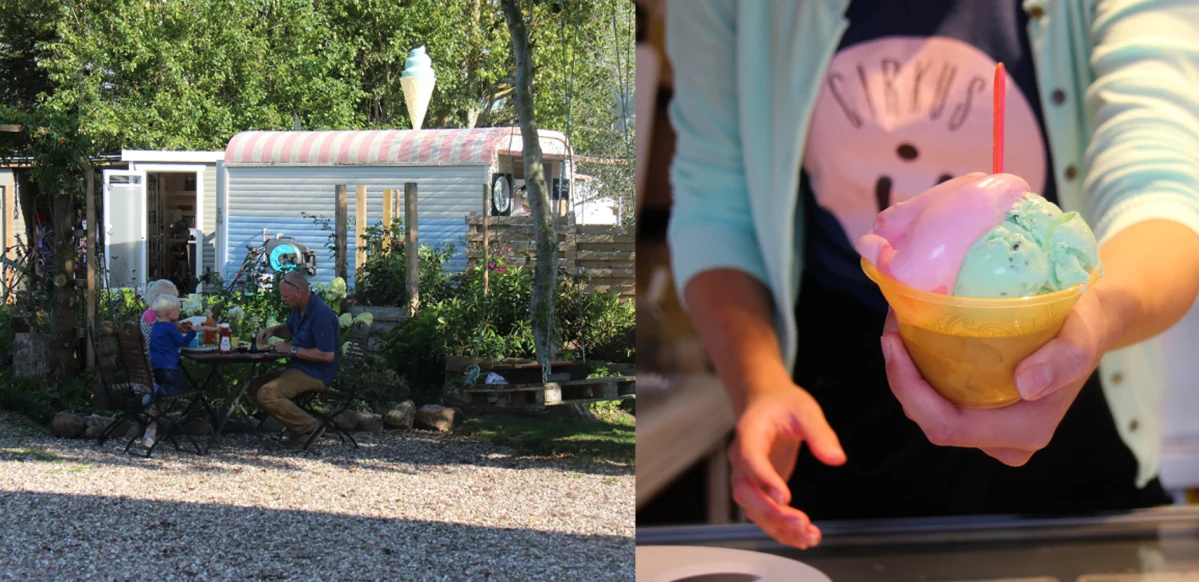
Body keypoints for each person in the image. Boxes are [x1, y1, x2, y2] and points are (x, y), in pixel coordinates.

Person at [664, 1, 1199, 550]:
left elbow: (1164, 190)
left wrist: (1097, 321)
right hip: (839, 407)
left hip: (1074, 376)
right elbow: (715, 203)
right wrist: (760, 383)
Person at [251, 271, 340, 447]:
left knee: (267, 394)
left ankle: (310, 427)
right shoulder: (300, 310)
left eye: (285, 296)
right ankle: (295, 427)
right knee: (253, 388)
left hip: (316, 374)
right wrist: (274, 330)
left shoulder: (321, 314)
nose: (283, 299)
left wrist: (291, 349)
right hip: (298, 368)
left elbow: (327, 355)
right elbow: (289, 328)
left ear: (298, 293)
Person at [142, 294, 212, 447]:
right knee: (181, 386)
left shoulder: (155, 327)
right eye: (177, 310)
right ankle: (158, 390)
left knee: (172, 385)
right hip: (169, 367)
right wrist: (193, 331)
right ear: (170, 314)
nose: (179, 313)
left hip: (156, 368)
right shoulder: (169, 327)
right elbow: (181, 342)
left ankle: (156, 390)